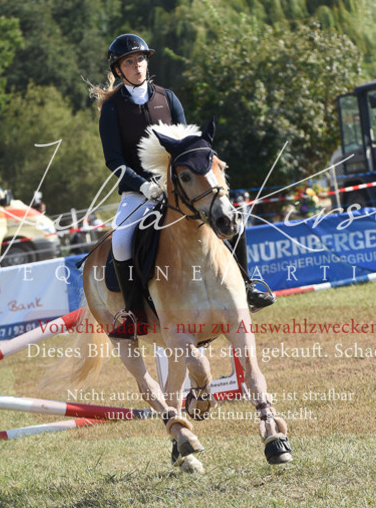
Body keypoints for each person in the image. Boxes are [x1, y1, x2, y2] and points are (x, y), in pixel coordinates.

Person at [93, 33, 274, 339]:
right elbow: (114, 161)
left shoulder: (168, 98)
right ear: (118, 70)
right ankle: (135, 313)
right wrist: (143, 186)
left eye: (141, 59)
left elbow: (186, 145)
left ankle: (246, 287)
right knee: (122, 240)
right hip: (138, 192)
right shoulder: (112, 109)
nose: (137, 66)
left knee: (233, 220)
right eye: (129, 62)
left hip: (179, 186)